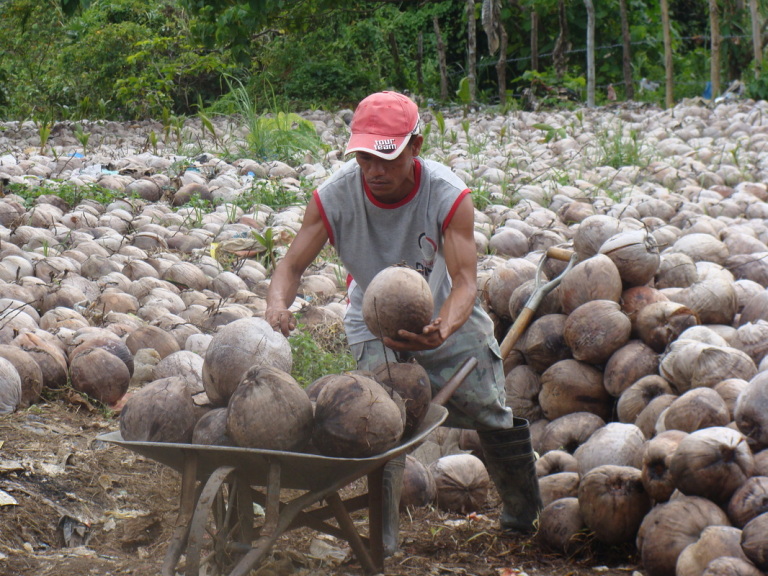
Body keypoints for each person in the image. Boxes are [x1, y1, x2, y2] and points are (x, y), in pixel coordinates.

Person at [265, 91, 542, 554]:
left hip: (444, 311)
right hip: (372, 323)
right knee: (380, 423)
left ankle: (523, 515)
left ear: (416, 145)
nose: (374, 170)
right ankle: (382, 536)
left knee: (492, 413)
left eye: (387, 158)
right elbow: (290, 266)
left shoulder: (448, 194)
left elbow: (466, 283)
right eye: (364, 157)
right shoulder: (334, 197)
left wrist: (445, 327)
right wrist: (277, 306)